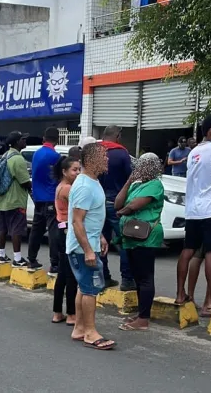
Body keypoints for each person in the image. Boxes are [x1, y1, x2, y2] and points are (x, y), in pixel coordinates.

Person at [67, 143, 115, 350]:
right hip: (82, 247)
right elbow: (77, 221)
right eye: (103, 156)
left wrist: (101, 237)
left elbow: (91, 217)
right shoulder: (85, 186)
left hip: (90, 242)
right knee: (91, 290)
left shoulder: (93, 182)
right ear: (91, 160)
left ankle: (79, 328)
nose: (107, 160)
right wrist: (87, 249)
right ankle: (90, 332)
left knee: (84, 288)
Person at [114, 153, 164, 331]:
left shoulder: (155, 185)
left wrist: (122, 212)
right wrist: (129, 182)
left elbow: (135, 205)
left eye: (143, 165)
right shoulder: (136, 184)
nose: (139, 168)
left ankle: (144, 319)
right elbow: (117, 203)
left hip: (146, 236)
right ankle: (141, 313)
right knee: (137, 277)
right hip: (131, 236)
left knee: (145, 277)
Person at [175, 115, 211, 317]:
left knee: (188, 251)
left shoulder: (193, 153)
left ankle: (180, 293)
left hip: (192, 211)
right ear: (210, 131)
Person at [99, 125, 134, 291]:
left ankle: (104, 277)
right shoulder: (121, 153)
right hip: (116, 203)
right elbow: (130, 178)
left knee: (101, 240)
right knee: (124, 241)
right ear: (118, 136)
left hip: (97, 204)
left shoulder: (95, 152)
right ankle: (127, 280)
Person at [52, 155, 80, 326]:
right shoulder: (68, 188)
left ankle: (57, 312)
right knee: (70, 275)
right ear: (64, 171)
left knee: (63, 274)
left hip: (60, 229)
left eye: (79, 169)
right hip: (67, 230)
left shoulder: (61, 186)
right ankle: (71, 314)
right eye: (74, 170)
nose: (77, 172)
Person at [0, 131, 31, 268]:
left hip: (2, 200)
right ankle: (17, 258)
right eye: (23, 139)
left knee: (2, 229)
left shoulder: (5, 155)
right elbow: (24, 181)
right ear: (17, 142)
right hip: (15, 200)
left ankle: (1, 254)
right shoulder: (18, 159)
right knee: (16, 229)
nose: (25, 141)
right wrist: (32, 186)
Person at [29, 127, 61, 274]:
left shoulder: (36, 154)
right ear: (57, 139)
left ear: (44, 138)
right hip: (50, 197)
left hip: (38, 197)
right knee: (53, 230)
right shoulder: (55, 156)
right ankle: (55, 263)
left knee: (37, 229)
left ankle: (32, 258)